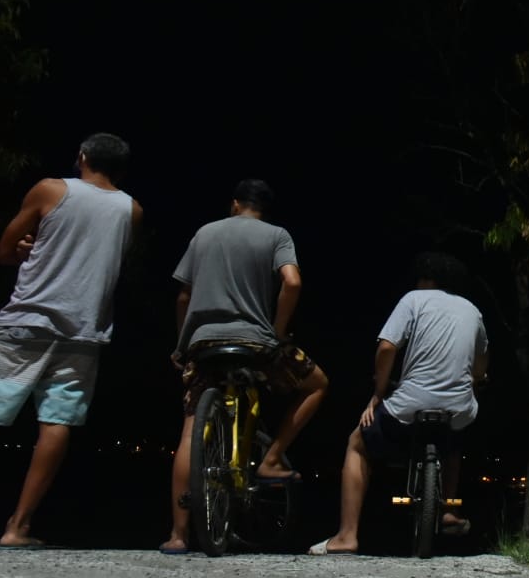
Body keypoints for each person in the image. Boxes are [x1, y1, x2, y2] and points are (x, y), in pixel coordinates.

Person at [0, 134, 142, 547]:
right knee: (56, 424)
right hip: (84, 331)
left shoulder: (52, 189)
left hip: (27, 321)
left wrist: (24, 247)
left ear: (83, 157)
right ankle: (18, 527)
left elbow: (3, 251)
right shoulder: (132, 210)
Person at [161, 179, 328, 554]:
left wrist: (182, 344)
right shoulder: (277, 235)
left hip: (203, 343)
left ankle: (177, 535)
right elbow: (293, 282)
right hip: (255, 343)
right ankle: (270, 460)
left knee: (191, 430)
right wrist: (278, 333)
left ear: (234, 204)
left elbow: (183, 295)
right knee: (317, 384)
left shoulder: (204, 233)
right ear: (263, 209)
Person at [308, 252, 488, 556]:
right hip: (458, 407)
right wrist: (476, 380)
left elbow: (387, 347)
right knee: (454, 439)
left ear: (427, 279)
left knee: (357, 443)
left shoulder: (414, 299)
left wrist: (378, 392)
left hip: (411, 402)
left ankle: (347, 535)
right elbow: (481, 365)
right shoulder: (473, 310)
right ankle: (447, 509)